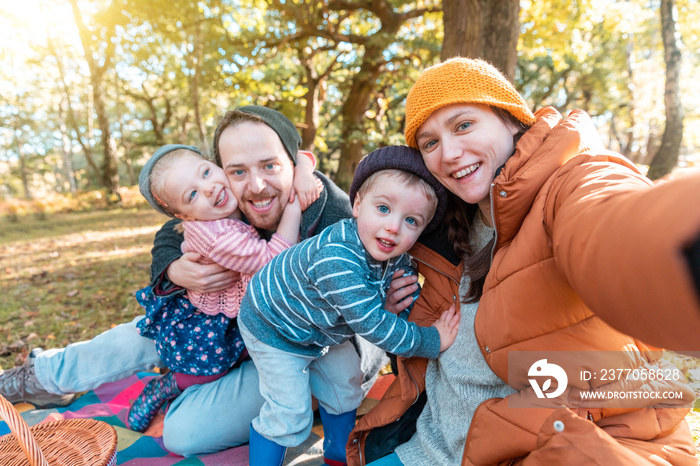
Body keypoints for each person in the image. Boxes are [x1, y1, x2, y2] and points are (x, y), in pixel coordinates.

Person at [347, 58, 700, 465]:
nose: (449, 153)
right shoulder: (438, 229)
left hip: (531, 449)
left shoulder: (568, 185)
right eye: (430, 143)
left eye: (463, 125)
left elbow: (614, 228)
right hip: (423, 447)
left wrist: (673, 247)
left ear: (513, 120)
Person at [0, 105, 389, 457]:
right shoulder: (221, 202)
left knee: (183, 436)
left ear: (295, 162)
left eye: (270, 166)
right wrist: (172, 268)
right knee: (146, 330)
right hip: (224, 330)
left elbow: (369, 312)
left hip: (302, 356)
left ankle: (181, 386)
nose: (254, 185)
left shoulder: (335, 215)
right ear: (223, 168)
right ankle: (42, 377)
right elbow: (174, 229)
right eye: (237, 171)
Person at [239, 145, 461, 466]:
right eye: (383, 208)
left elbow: (402, 295)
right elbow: (374, 326)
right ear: (357, 204)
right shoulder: (337, 259)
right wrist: (433, 340)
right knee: (290, 412)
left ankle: (337, 454)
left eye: (411, 220)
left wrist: (398, 308)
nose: (394, 227)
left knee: (346, 385)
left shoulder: (394, 251)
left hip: (322, 327)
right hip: (274, 326)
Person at [125, 142, 314, 432]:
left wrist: (302, 168)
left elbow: (278, 154)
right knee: (210, 368)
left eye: (205, 173)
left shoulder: (229, 197)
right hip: (208, 320)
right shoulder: (215, 235)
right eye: (192, 195)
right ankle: (166, 386)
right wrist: (293, 209)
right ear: (186, 216)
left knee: (238, 356)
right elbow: (268, 259)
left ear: (217, 164)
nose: (209, 189)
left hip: (235, 310)